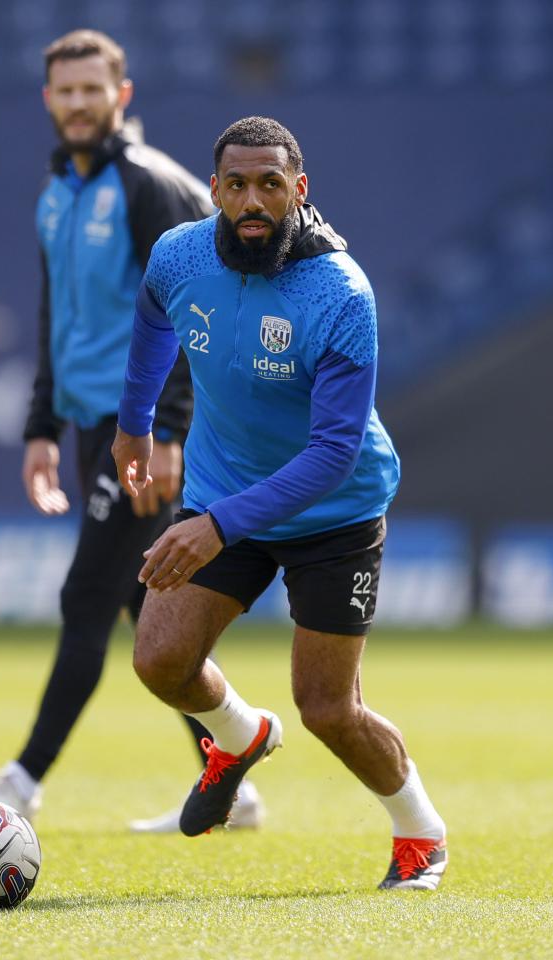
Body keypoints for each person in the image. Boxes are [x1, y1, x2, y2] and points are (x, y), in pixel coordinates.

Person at [111, 117, 447, 889]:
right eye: (237, 184)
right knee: (161, 661)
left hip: (334, 512)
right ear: (216, 189)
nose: (253, 199)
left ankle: (420, 835)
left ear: (300, 190)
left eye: (271, 183)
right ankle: (240, 734)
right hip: (221, 493)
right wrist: (136, 426)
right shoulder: (181, 252)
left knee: (327, 709)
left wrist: (215, 528)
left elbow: (331, 453)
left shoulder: (339, 293)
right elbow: (156, 321)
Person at [0, 30, 264, 833]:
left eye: (95, 89)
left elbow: (201, 312)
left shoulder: (149, 186)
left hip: (143, 436)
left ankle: (21, 780)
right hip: (93, 430)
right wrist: (40, 427)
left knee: (85, 593)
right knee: (135, 602)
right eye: (66, 91)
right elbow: (62, 319)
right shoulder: (59, 191)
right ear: (48, 100)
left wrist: (170, 430)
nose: (80, 103)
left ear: (121, 97)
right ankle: (235, 783)